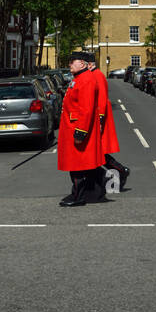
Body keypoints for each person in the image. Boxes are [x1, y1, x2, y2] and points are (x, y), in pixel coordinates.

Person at [56, 51, 108, 207]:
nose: (70, 64)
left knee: (77, 165)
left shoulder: (86, 79)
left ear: (83, 64)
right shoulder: (79, 78)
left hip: (77, 127)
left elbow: (86, 109)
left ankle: (78, 196)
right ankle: (93, 191)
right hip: (72, 126)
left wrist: (81, 132)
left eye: (73, 61)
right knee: (79, 164)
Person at [87, 59, 130, 193]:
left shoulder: (97, 75)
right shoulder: (93, 75)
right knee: (95, 152)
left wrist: (99, 119)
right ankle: (93, 183)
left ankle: (121, 171)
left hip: (100, 118)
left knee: (99, 152)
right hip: (96, 119)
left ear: (90, 64)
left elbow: (101, 99)